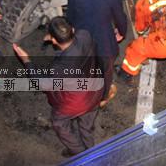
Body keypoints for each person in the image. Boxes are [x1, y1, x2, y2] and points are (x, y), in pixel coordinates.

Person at [12, 17, 104, 157]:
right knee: (86, 123)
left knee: (59, 122)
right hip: (95, 90)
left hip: (76, 101)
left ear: (53, 41)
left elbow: (42, 84)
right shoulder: (85, 35)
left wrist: (26, 61)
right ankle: (90, 148)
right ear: (72, 30)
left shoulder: (60, 68)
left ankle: (78, 152)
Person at [67, 0, 127, 107]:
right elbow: (119, 16)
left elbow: (70, 18)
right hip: (104, 42)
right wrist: (121, 32)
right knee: (106, 72)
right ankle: (103, 97)